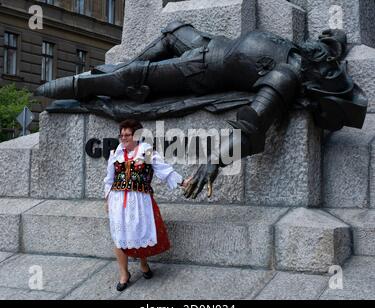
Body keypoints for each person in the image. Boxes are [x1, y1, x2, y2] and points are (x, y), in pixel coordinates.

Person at [36, 21, 367, 199]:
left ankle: (86, 85)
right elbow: (332, 40)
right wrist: (336, 38)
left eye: (327, 67)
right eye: (327, 62)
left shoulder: (285, 77)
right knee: (175, 29)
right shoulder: (313, 54)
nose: (322, 58)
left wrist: (213, 162)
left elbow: (251, 124)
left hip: (200, 70)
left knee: (130, 76)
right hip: (207, 43)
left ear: (313, 79)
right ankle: (129, 77)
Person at [104, 118, 189, 291]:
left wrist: (182, 182)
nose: (124, 138)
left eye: (127, 135)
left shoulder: (146, 151)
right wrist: (107, 199)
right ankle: (124, 274)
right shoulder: (115, 154)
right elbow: (109, 180)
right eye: (122, 135)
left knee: (138, 233)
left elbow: (163, 170)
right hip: (118, 201)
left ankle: (143, 264)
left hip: (140, 201)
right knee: (118, 236)